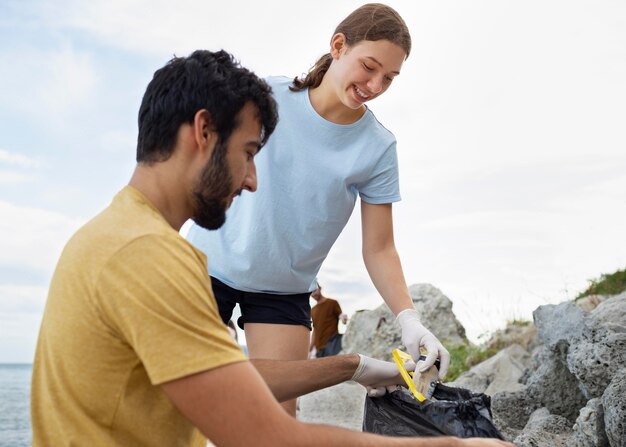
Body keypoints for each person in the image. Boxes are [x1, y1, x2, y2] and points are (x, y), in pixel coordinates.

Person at [30, 49, 512, 447]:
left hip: (284, 288)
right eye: (249, 153)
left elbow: (234, 378)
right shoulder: (148, 259)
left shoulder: (120, 235)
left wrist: (356, 366)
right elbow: (267, 436)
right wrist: (454, 446)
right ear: (203, 131)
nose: (254, 181)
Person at [186, 2, 451, 415]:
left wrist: (409, 320)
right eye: (369, 66)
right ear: (339, 46)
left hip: (283, 290)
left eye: (390, 78)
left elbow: (379, 248)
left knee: (272, 422)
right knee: (184, 402)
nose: (376, 84)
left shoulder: (378, 147)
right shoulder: (267, 95)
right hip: (204, 266)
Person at [310, 282, 348, 358]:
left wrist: (344, 319)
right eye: (310, 293)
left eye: (314, 291)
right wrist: (310, 348)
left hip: (332, 345)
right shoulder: (313, 310)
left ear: (320, 288)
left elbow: (341, 317)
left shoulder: (332, 303)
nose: (313, 294)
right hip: (319, 350)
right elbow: (315, 329)